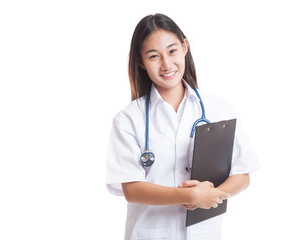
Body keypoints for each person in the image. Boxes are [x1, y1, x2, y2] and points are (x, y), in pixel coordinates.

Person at [106, 13, 260, 240]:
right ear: (140, 61)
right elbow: (132, 189)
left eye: (172, 51)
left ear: (185, 46)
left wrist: (210, 196)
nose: (166, 64)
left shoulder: (218, 109)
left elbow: (242, 175)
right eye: (153, 56)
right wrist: (187, 196)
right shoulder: (129, 119)